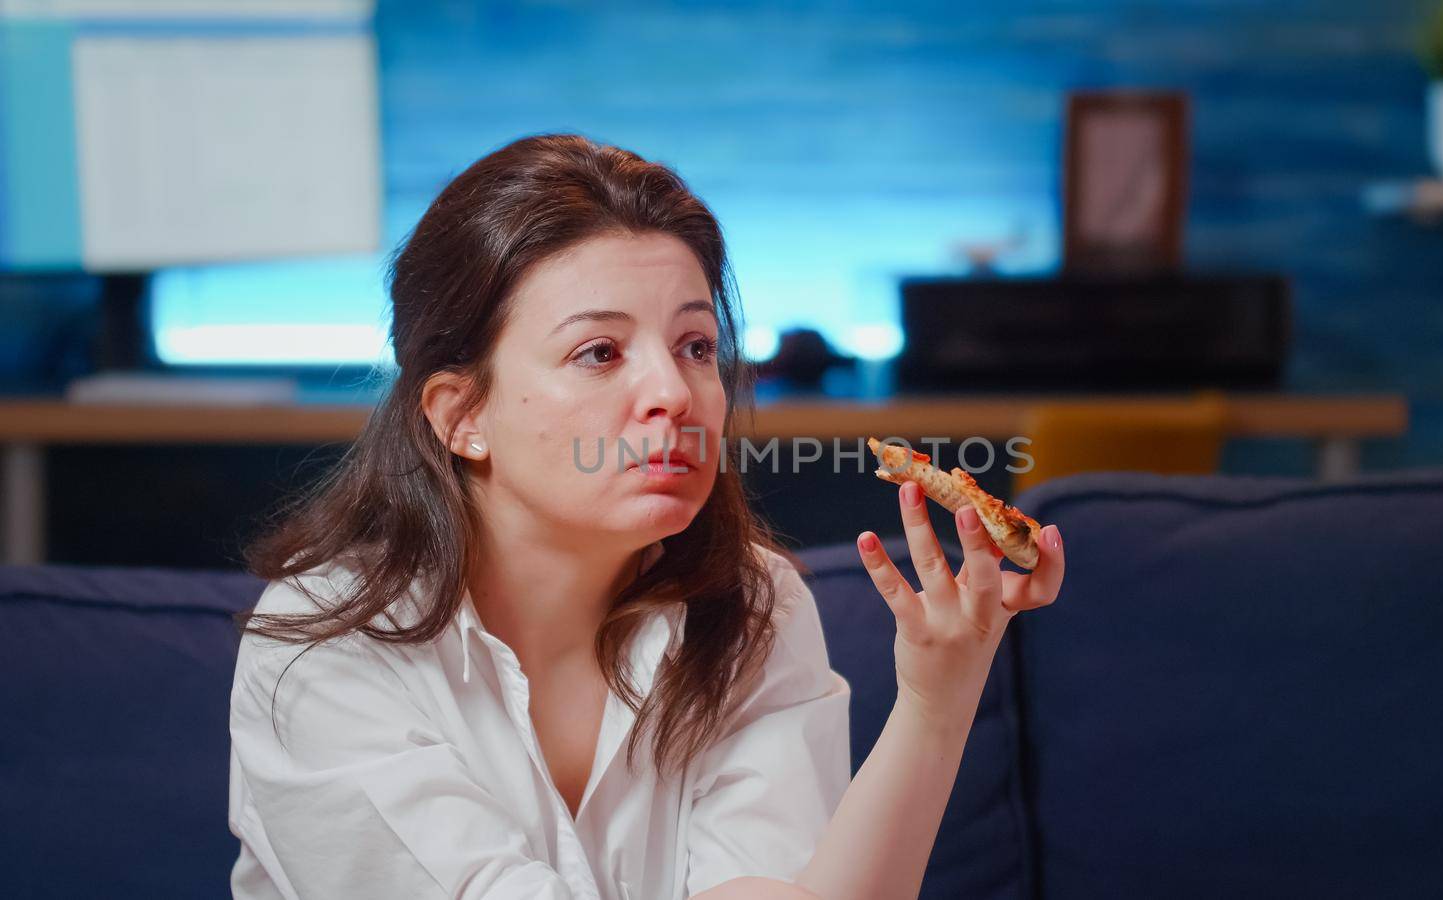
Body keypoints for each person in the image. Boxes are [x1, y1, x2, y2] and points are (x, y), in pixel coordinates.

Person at [226, 133, 1065, 900]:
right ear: (459, 415)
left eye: (697, 346)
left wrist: (937, 700)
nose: (675, 394)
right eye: (600, 352)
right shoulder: (323, 649)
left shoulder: (754, 608)